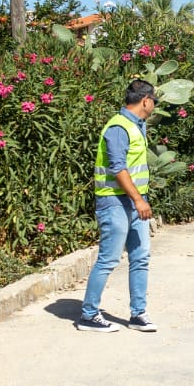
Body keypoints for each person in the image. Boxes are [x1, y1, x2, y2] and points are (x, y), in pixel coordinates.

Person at [78, 80, 159, 333]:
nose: (155, 105)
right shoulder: (118, 127)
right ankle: (89, 315)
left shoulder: (137, 125)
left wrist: (139, 200)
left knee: (140, 257)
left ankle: (138, 314)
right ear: (145, 100)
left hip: (135, 203)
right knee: (109, 259)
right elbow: (118, 168)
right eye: (154, 100)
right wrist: (138, 199)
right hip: (114, 202)